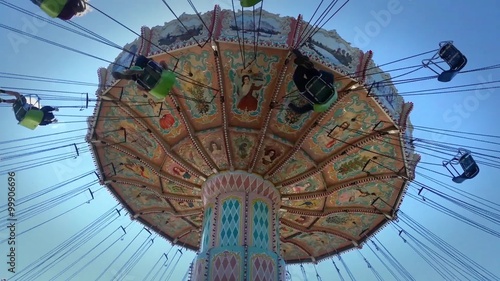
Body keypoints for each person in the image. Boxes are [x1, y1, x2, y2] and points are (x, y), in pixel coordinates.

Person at [288, 49, 335, 114]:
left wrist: (321, 72)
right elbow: (299, 111)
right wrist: (289, 104)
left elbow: (331, 76)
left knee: (309, 70)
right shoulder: (319, 107)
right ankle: (301, 61)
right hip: (307, 89)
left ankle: (302, 59)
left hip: (318, 79)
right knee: (297, 78)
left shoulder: (333, 92)